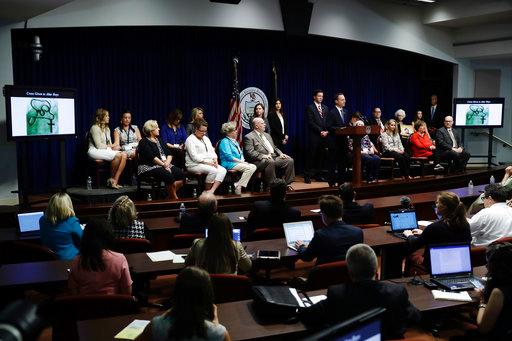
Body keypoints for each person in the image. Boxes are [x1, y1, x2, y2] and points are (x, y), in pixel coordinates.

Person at [299, 244, 420, 339]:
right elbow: (415, 317)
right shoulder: (397, 292)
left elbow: (309, 316)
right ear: (376, 271)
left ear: (349, 273)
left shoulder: (337, 293)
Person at [149, 267, 230, 341]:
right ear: (208, 296)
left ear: (176, 293)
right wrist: (216, 323)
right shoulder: (219, 333)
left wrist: (169, 312)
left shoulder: (156, 326)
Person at [403, 191, 471, 270]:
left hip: (435, 267)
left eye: (437, 203)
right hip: (458, 264)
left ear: (444, 206)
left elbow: (415, 244)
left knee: (410, 256)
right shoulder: (465, 225)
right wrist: (424, 233)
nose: (436, 205)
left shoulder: (434, 228)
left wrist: (409, 235)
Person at [68, 218, 132, 295]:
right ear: (108, 236)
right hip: (113, 306)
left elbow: (73, 293)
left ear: (86, 237)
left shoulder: (76, 261)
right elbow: (127, 292)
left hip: (86, 306)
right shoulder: (120, 259)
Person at [296, 195, 363, 264]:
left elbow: (307, 257)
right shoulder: (358, 232)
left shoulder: (320, 235)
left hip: (325, 273)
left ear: (324, 214)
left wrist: (301, 247)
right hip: (349, 272)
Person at [186, 214, 251, 274]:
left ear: (210, 228)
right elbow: (247, 266)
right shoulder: (237, 245)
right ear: (229, 228)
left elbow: (187, 263)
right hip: (230, 285)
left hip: (204, 284)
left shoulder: (197, 243)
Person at [137, 120, 184, 200]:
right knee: (168, 175)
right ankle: (175, 199)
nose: (159, 129)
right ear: (151, 130)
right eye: (157, 128)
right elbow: (152, 157)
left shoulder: (160, 140)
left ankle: (169, 196)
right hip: (148, 166)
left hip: (164, 164)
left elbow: (169, 154)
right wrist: (164, 165)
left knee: (180, 174)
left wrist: (167, 164)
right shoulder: (143, 142)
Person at [474, 242, 512, 340]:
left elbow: (483, 328)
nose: (486, 266)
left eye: (488, 262)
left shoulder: (499, 292)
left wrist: (482, 301)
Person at [243, 117, 295, 187]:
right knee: (270, 161)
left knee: (289, 160)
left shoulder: (267, 135)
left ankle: (285, 184)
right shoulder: (249, 137)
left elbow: (274, 147)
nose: (265, 125)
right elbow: (250, 152)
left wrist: (281, 153)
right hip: (259, 161)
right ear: (256, 126)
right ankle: (272, 186)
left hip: (273, 157)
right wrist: (263, 156)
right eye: (262, 123)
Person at [87, 108, 128, 189]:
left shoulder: (107, 129)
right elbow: (98, 146)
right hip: (94, 151)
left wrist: (115, 147)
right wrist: (113, 145)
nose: (108, 117)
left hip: (104, 150)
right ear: (101, 117)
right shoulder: (94, 128)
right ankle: (112, 181)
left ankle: (114, 180)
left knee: (124, 155)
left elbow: (109, 144)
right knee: (119, 155)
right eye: (106, 116)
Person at [185, 119, 227, 195]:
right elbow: (194, 157)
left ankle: (211, 191)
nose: (204, 133)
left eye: (205, 131)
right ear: (195, 129)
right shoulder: (190, 140)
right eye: (202, 131)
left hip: (208, 163)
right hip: (194, 164)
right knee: (213, 171)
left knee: (223, 170)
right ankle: (207, 191)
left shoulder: (206, 139)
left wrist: (215, 159)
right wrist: (207, 163)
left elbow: (212, 151)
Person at [39, 192, 83, 260]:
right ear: (68, 205)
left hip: (49, 259)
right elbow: (83, 240)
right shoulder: (72, 221)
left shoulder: (42, 220)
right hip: (68, 260)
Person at [218, 122, 257, 195]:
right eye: (234, 130)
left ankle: (238, 184)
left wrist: (242, 160)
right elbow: (228, 156)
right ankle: (239, 186)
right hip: (228, 163)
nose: (236, 131)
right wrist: (241, 162)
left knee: (253, 166)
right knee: (249, 168)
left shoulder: (234, 141)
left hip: (237, 162)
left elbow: (240, 153)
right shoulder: (224, 141)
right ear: (229, 132)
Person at [304, 89, 330, 184]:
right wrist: (320, 131)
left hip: (324, 136)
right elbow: (311, 122)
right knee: (311, 156)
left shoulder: (326, 108)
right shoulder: (310, 108)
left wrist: (326, 131)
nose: (321, 98)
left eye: (322, 96)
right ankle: (307, 176)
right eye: (319, 96)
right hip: (315, 135)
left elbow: (328, 121)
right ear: (314, 97)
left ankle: (318, 175)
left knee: (321, 156)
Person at [327, 93, 349, 187]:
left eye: (344, 99)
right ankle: (331, 183)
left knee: (342, 163)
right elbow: (328, 126)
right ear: (336, 101)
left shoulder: (346, 111)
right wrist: (339, 129)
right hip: (334, 142)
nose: (344, 101)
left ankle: (341, 183)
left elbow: (346, 125)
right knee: (333, 163)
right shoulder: (331, 112)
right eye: (342, 99)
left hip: (343, 142)